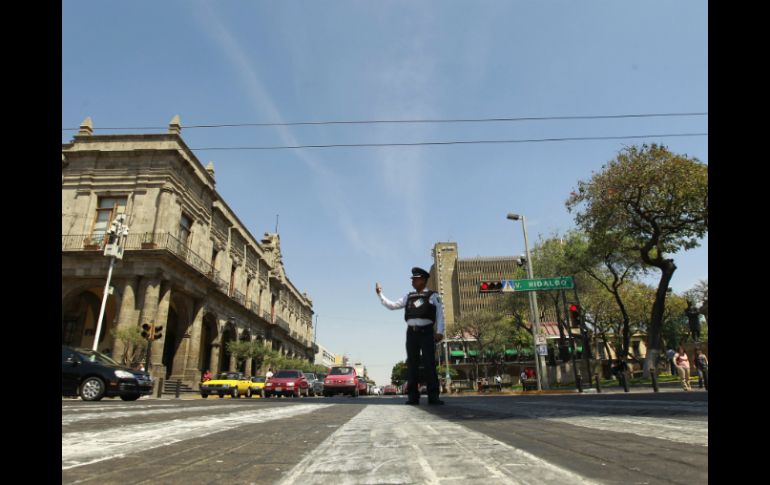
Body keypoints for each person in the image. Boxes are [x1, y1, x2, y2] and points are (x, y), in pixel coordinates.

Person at [376, 267, 445, 405]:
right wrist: (380, 294)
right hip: (411, 334)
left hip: (427, 333)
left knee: (429, 364)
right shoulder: (409, 296)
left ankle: (434, 396)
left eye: (415, 279)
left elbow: (440, 315)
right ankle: (413, 397)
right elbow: (393, 305)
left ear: (423, 280)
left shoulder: (433, 296)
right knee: (412, 365)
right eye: (412, 279)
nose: (412, 281)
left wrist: (439, 332)